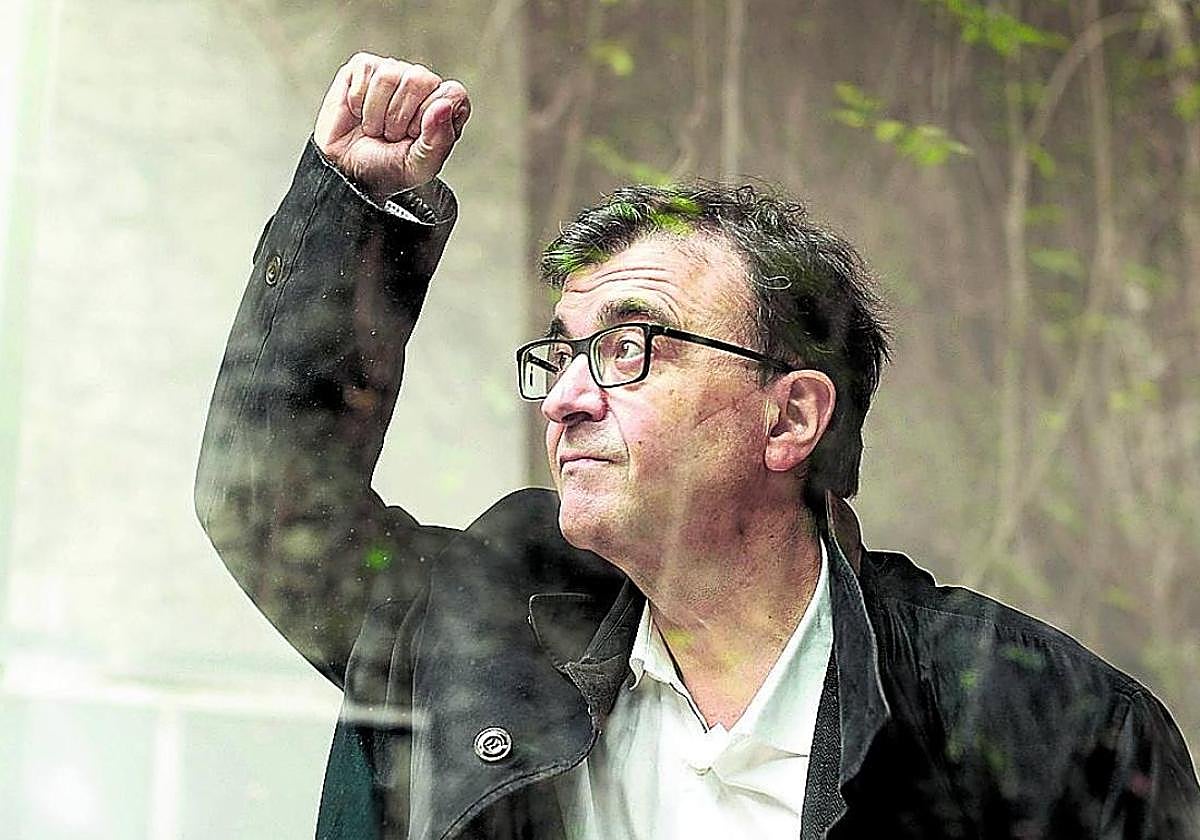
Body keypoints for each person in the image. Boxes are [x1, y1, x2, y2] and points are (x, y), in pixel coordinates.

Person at [195, 53, 1200, 840]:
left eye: (628, 348)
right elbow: (270, 503)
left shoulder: (1057, 732)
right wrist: (356, 215)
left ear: (789, 418)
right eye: (562, 354)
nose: (566, 400)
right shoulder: (481, 628)